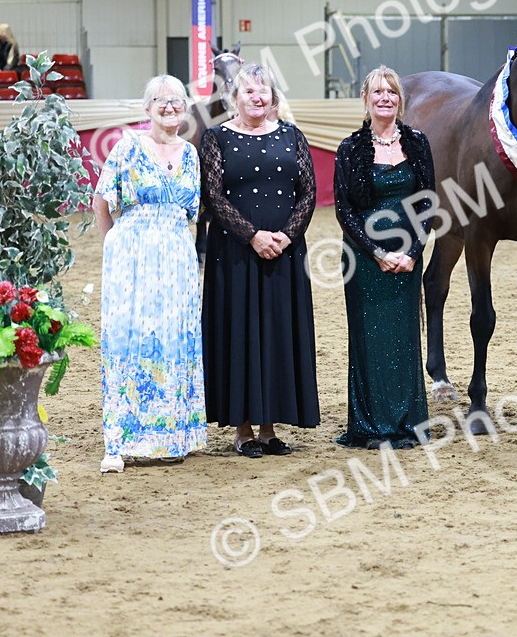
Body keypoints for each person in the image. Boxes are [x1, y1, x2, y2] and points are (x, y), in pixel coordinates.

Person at [200, 63, 319, 458]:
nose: (256, 96)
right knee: (240, 334)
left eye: (263, 90)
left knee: (277, 334)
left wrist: (286, 235)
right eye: (248, 90)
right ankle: (243, 430)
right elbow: (213, 196)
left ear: (273, 96)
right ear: (234, 97)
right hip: (235, 254)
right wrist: (252, 235)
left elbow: (308, 193)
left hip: (285, 253)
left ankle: (269, 429)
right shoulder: (216, 138)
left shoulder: (292, 135)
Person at [91, 75, 208, 473]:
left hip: (176, 257)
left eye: (176, 101)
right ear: (147, 108)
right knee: (129, 341)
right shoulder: (127, 147)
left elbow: (191, 214)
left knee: (173, 340)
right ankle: (120, 440)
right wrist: (115, 246)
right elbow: (101, 204)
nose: (169, 107)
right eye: (160, 100)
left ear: (186, 108)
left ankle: (172, 436)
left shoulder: (191, 155)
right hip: (131, 257)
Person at [333, 65, 436, 450]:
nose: (385, 98)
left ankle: (408, 422)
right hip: (364, 259)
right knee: (368, 340)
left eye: (391, 92)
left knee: (405, 338)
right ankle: (371, 426)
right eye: (377, 92)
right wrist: (376, 252)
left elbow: (428, 202)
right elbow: (344, 210)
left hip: (408, 258)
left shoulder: (418, 143)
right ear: (365, 99)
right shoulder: (350, 148)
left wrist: (412, 252)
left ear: (400, 100)